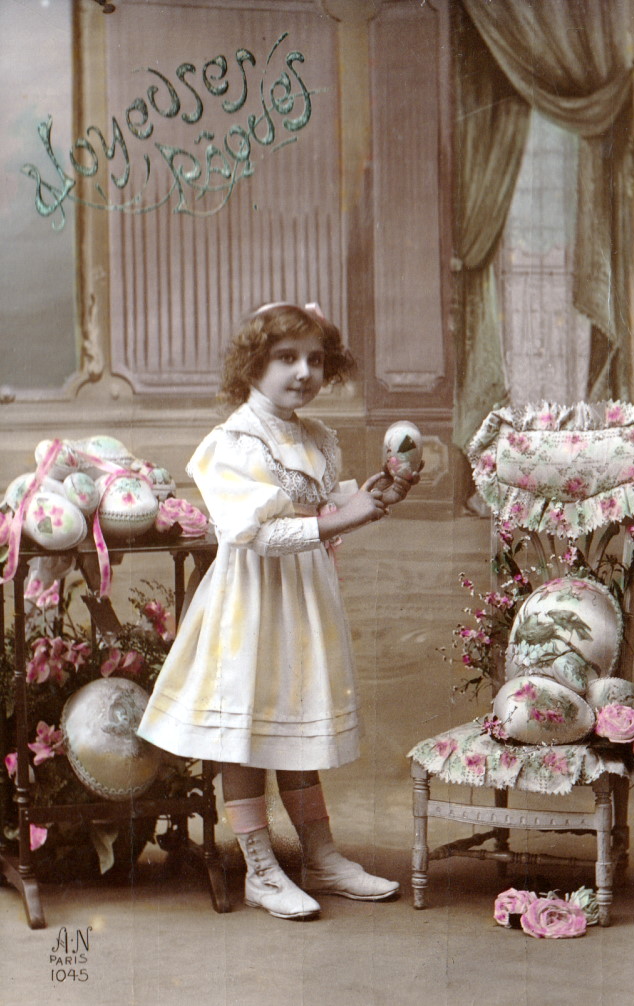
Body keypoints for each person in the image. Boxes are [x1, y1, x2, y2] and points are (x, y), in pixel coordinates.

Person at [138, 302, 420, 920]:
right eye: (286, 358)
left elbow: (316, 503)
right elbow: (259, 534)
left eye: (315, 360)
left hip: (303, 599)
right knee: (247, 733)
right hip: (251, 601)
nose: (303, 372)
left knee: (296, 722)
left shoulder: (315, 436)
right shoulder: (230, 443)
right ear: (252, 365)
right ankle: (261, 868)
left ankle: (321, 856)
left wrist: (368, 495)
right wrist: (343, 517)